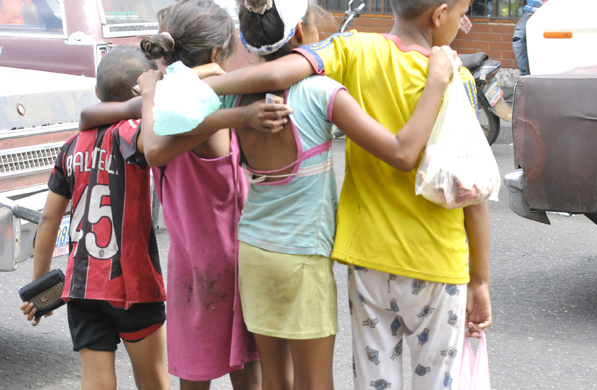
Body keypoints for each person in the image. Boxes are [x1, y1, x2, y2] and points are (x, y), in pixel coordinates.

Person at [138, 0, 460, 388]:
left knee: (276, 382)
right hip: (303, 258)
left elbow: (155, 145)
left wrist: (163, 87)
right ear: (303, 35)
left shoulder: (230, 96)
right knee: (314, 382)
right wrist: (437, 83)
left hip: (254, 253)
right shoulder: (323, 92)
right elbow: (402, 153)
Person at [76, 1, 288, 389]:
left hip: (191, 264)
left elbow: (89, 117)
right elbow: (160, 146)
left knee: (193, 372)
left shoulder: (160, 105)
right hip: (234, 254)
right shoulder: (215, 97)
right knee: (247, 368)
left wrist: (152, 92)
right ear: (214, 53)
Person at [19, 45, 170, 390]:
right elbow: (156, 142)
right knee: (154, 380)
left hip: (82, 285)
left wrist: (40, 289)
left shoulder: (71, 145)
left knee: (96, 381)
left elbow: (48, 220)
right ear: (141, 90)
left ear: (98, 92)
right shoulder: (132, 134)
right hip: (133, 284)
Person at [513, 0, 548, 75]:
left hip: (550, 11)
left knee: (545, 40)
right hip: (530, 11)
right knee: (517, 39)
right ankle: (525, 73)